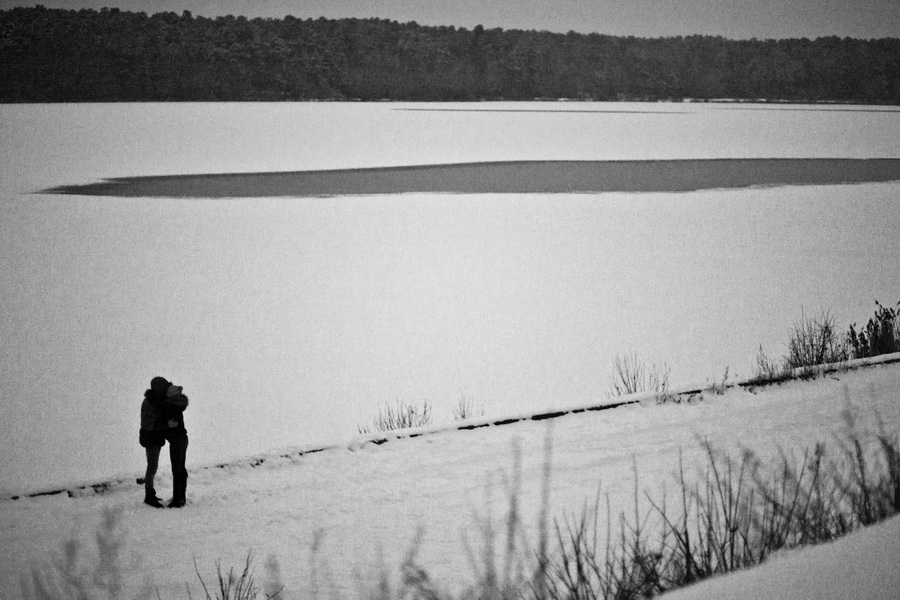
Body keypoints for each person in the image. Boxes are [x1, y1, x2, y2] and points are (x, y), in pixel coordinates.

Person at [139, 376, 190, 508]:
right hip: (152, 438)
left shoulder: (167, 404)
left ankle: (177, 499)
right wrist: (166, 426)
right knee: (153, 467)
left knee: (174, 469)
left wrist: (165, 426)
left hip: (167, 440)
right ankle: (152, 496)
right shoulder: (156, 402)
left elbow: (162, 420)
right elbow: (150, 423)